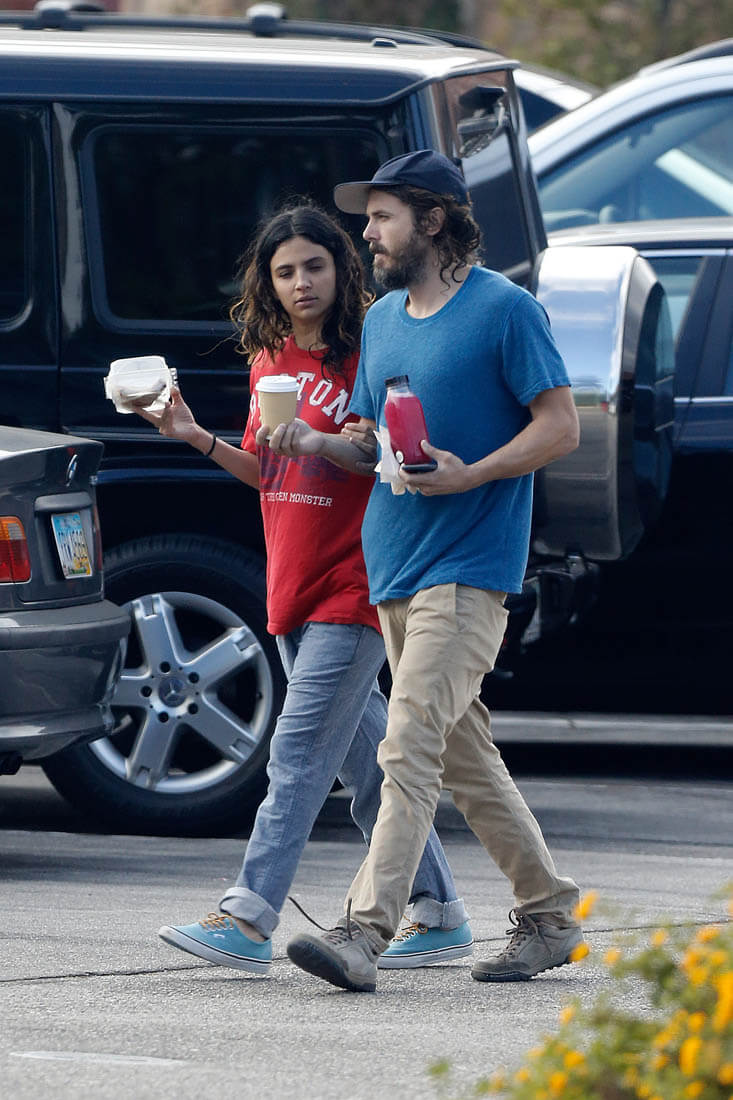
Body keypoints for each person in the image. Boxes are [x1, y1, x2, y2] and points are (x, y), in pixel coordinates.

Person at [134, 202, 471, 975]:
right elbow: (268, 471)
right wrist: (194, 436)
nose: (300, 283)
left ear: (340, 269)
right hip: (291, 580)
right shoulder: (269, 360)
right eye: (284, 272)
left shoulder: (369, 351)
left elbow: (383, 455)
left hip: (355, 580)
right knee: (366, 769)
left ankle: (248, 916)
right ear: (268, 283)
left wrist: (323, 439)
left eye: (313, 266)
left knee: (294, 753)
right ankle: (437, 910)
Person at [279, 152, 585, 993]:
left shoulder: (505, 310)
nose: (366, 234)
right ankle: (550, 914)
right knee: (460, 757)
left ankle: (363, 930)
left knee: (406, 745)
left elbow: (560, 427)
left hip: (468, 566)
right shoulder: (382, 320)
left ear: (434, 220)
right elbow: (369, 443)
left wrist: (471, 473)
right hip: (393, 568)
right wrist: (321, 440)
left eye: (381, 217)